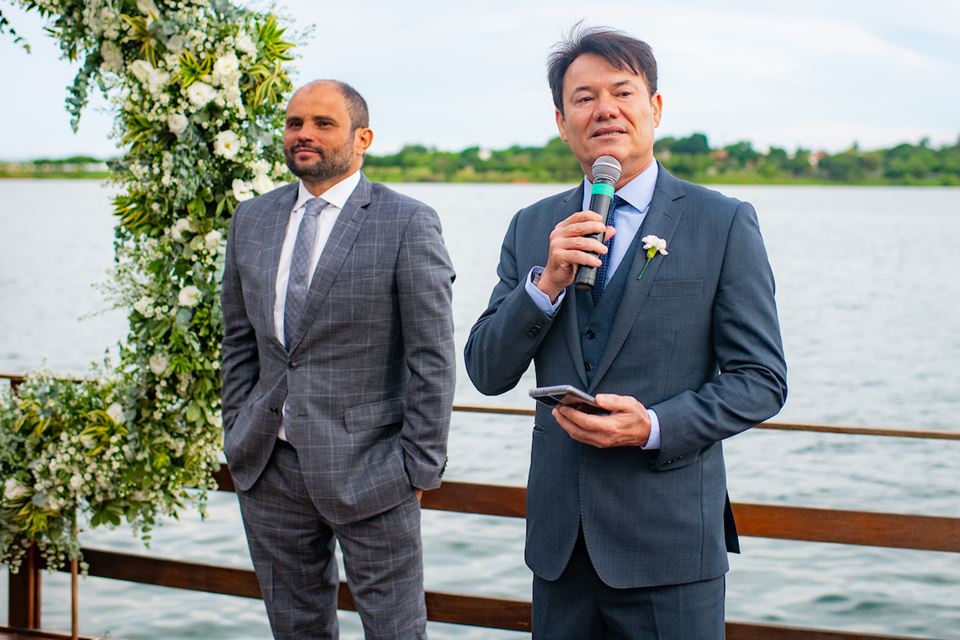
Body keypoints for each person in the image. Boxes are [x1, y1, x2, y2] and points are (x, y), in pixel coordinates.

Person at [464, 26, 787, 639]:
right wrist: (547, 284)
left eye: (622, 91)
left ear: (655, 108)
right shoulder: (532, 225)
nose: (605, 109)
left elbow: (761, 381)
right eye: (584, 98)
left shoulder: (723, 222)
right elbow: (485, 370)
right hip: (560, 551)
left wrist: (653, 426)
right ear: (562, 121)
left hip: (669, 548)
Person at [220, 79, 456, 639]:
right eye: (294, 123)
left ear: (362, 137)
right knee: (295, 629)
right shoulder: (250, 219)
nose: (304, 134)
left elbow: (433, 354)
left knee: (396, 630)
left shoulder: (407, 222)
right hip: (268, 466)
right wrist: (237, 431)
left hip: (373, 469)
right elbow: (238, 341)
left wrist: (418, 467)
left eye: (323, 124)